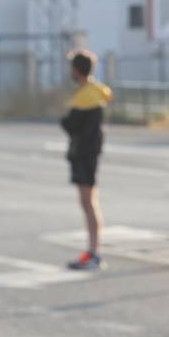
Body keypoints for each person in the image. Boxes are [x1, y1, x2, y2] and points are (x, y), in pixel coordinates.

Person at [61, 49, 113, 271]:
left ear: (76, 69)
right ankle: (92, 250)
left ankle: (93, 252)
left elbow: (72, 125)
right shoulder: (93, 92)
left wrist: (66, 120)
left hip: (85, 155)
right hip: (86, 154)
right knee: (87, 202)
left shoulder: (86, 96)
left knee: (89, 202)